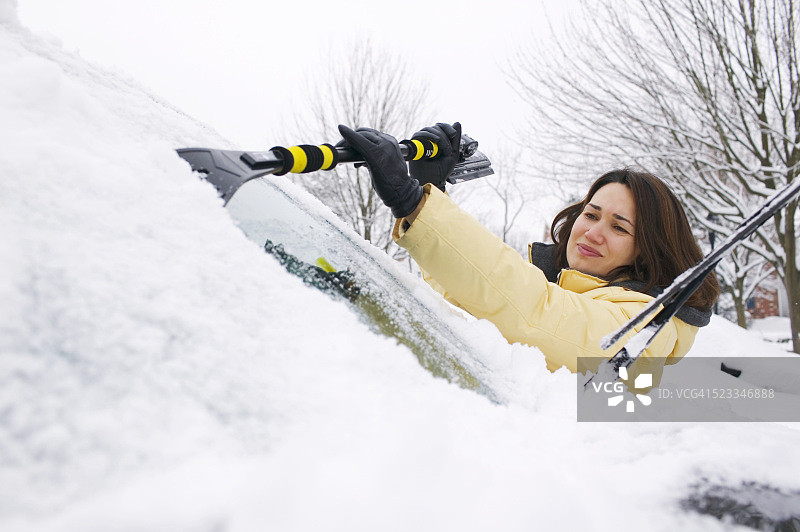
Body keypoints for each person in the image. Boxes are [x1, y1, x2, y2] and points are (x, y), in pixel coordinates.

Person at [338, 123, 720, 381]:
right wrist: (430, 190)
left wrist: (415, 205)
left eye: (619, 227)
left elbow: (536, 315)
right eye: (591, 214)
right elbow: (471, 305)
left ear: (648, 251)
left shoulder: (653, 325)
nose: (593, 231)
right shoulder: (565, 286)